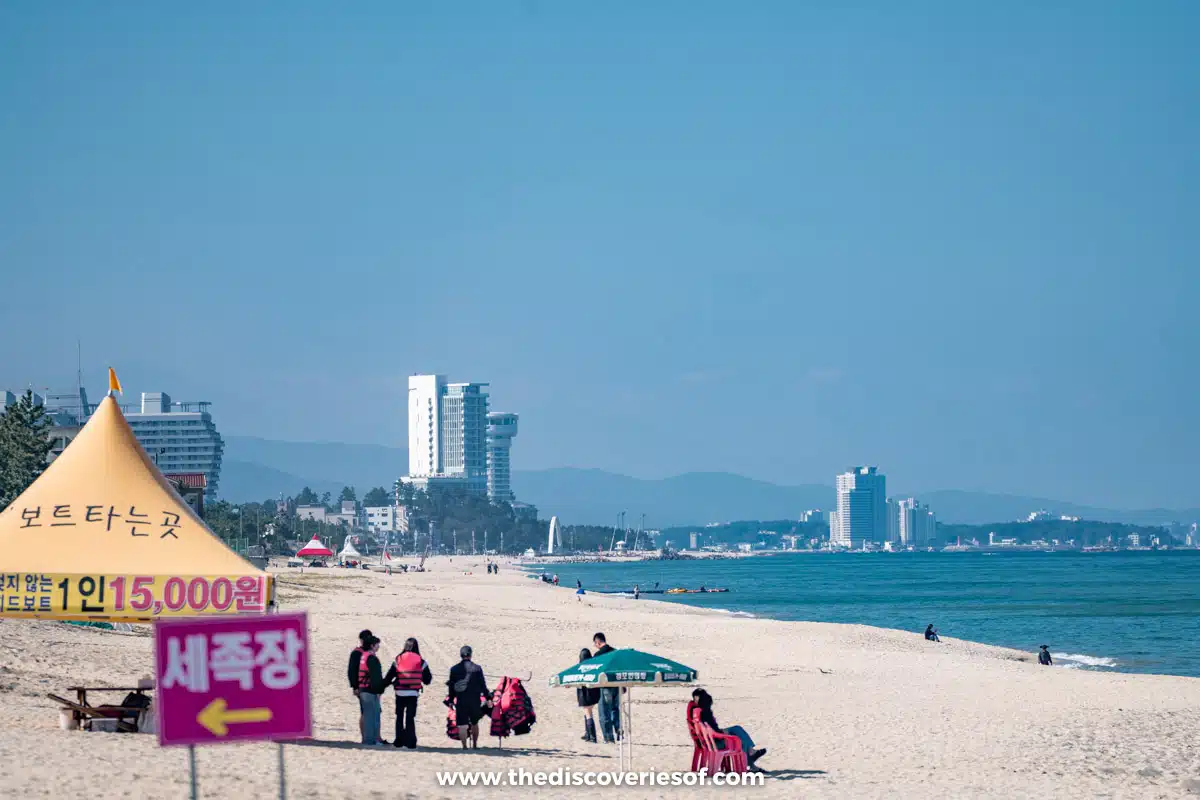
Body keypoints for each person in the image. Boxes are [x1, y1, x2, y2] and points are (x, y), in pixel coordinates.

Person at [692, 688, 766, 769]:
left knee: (736, 729)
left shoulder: (698, 712)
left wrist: (722, 732)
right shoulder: (705, 714)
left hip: (709, 741)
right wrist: (723, 733)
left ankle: (751, 757)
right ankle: (750, 759)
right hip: (715, 743)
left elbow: (711, 730)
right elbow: (713, 732)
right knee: (739, 739)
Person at [384, 637, 433, 748]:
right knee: (410, 717)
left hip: (400, 693)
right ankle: (410, 742)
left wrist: (381, 687)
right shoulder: (421, 661)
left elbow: (389, 676)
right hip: (413, 693)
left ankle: (399, 741)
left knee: (399, 716)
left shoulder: (399, 659)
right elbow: (428, 680)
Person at [347, 631, 387, 745]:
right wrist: (355, 687)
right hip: (365, 688)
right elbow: (352, 671)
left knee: (374, 711)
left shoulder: (366, 654)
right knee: (367, 712)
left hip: (367, 687)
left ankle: (376, 737)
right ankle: (367, 738)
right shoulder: (358, 654)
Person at [447, 645, 491, 749]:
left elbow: (451, 687)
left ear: (460, 655)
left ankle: (464, 746)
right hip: (474, 700)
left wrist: (451, 699)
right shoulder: (477, 668)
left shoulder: (454, 669)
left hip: (461, 700)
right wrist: (488, 697)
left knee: (462, 725)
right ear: (471, 655)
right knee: (475, 723)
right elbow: (483, 686)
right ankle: (475, 745)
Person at [592, 632, 621, 743]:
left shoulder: (598, 655)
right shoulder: (615, 652)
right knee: (615, 710)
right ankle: (619, 731)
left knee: (604, 712)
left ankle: (608, 737)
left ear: (598, 642)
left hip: (605, 687)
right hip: (617, 685)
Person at [576, 648, 601, 743]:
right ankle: (587, 734)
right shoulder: (594, 666)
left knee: (588, 714)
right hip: (594, 694)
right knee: (587, 713)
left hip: (584, 694)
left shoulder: (579, 668)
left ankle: (592, 736)